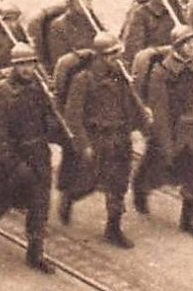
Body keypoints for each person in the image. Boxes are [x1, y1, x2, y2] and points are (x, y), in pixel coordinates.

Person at [0, 43, 62, 273]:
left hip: (38, 154)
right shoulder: (1, 91)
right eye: (21, 64)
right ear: (14, 66)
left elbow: (49, 119)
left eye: (30, 64)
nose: (26, 69)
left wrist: (53, 116)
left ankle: (35, 253)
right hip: (12, 158)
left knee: (40, 205)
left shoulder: (39, 87)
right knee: (1, 202)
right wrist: (14, 164)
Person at [60, 32, 148, 247]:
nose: (116, 58)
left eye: (117, 53)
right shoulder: (84, 80)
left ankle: (113, 228)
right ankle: (70, 197)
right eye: (111, 54)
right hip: (97, 139)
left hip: (120, 137)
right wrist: (84, 145)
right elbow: (72, 116)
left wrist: (143, 118)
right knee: (89, 183)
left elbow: (131, 99)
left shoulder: (119, 74)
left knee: (118, 184)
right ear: (100, 56)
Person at [132, 24, 193, 238]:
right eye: (187, 43)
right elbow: (160, 112)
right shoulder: (162, 73)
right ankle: (140, 189)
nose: (192, 47)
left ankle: (188, 219)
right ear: (178, 46)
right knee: (155, 166)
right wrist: (166, 143)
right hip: (172, 131)